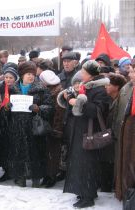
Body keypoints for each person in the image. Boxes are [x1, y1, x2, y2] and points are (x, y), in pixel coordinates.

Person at [63, 60, 110, 208]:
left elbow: (96, 111)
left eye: (83, 72)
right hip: (82, 131)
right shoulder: (88, 87)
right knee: (80, 163)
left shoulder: (100, 90)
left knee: (87, 164)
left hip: (90, 132)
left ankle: (88, 196)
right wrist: (69, 99)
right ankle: (84, 191)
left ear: (90, 74)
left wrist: (76, 102)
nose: (81, 74)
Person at [7, 61, 53, 188]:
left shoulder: (42, 89)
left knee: (36, 154)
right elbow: (4, 111)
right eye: (28, 74)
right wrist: (6, 108)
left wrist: (39, 109)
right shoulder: (12, 89)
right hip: (17, 128)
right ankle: (20, 177)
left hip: (34, 129)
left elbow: (50, 107)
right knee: (19, 153)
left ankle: (36, 179)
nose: (31, 76)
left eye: (32, 74)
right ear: (21, 75)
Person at [101, 73, 126, 193]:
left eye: (108, 84)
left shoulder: (120, 101)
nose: (105, 86)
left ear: (116, 87)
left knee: (110, 162)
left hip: (115, 139)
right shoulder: (110, 100)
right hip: (110, 138)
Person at [113, 64, 135, 201]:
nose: (131, 75)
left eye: (134, 72)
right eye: (131, 72)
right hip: (127, 135)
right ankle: (128, 196)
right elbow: (118, 113)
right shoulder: (127, 88)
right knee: (127, 167)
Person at [39, 70, 64, 188]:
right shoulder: (50, 91)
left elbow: (59, 114)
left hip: (53, 128)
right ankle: (47, 175)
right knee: (47, 153)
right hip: (47, 126)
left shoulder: (57, 93)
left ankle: (51, 176)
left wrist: (56, 129)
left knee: (53, 154)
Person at [0, 67, 19, 182]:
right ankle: (6, 170)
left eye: (11, 77)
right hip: (1, 120)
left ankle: (14, 170)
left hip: (13, 121)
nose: (8, 80)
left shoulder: (17, 89)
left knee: (13, 147)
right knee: (4, 147)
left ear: (15, 78)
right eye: (6, 77)